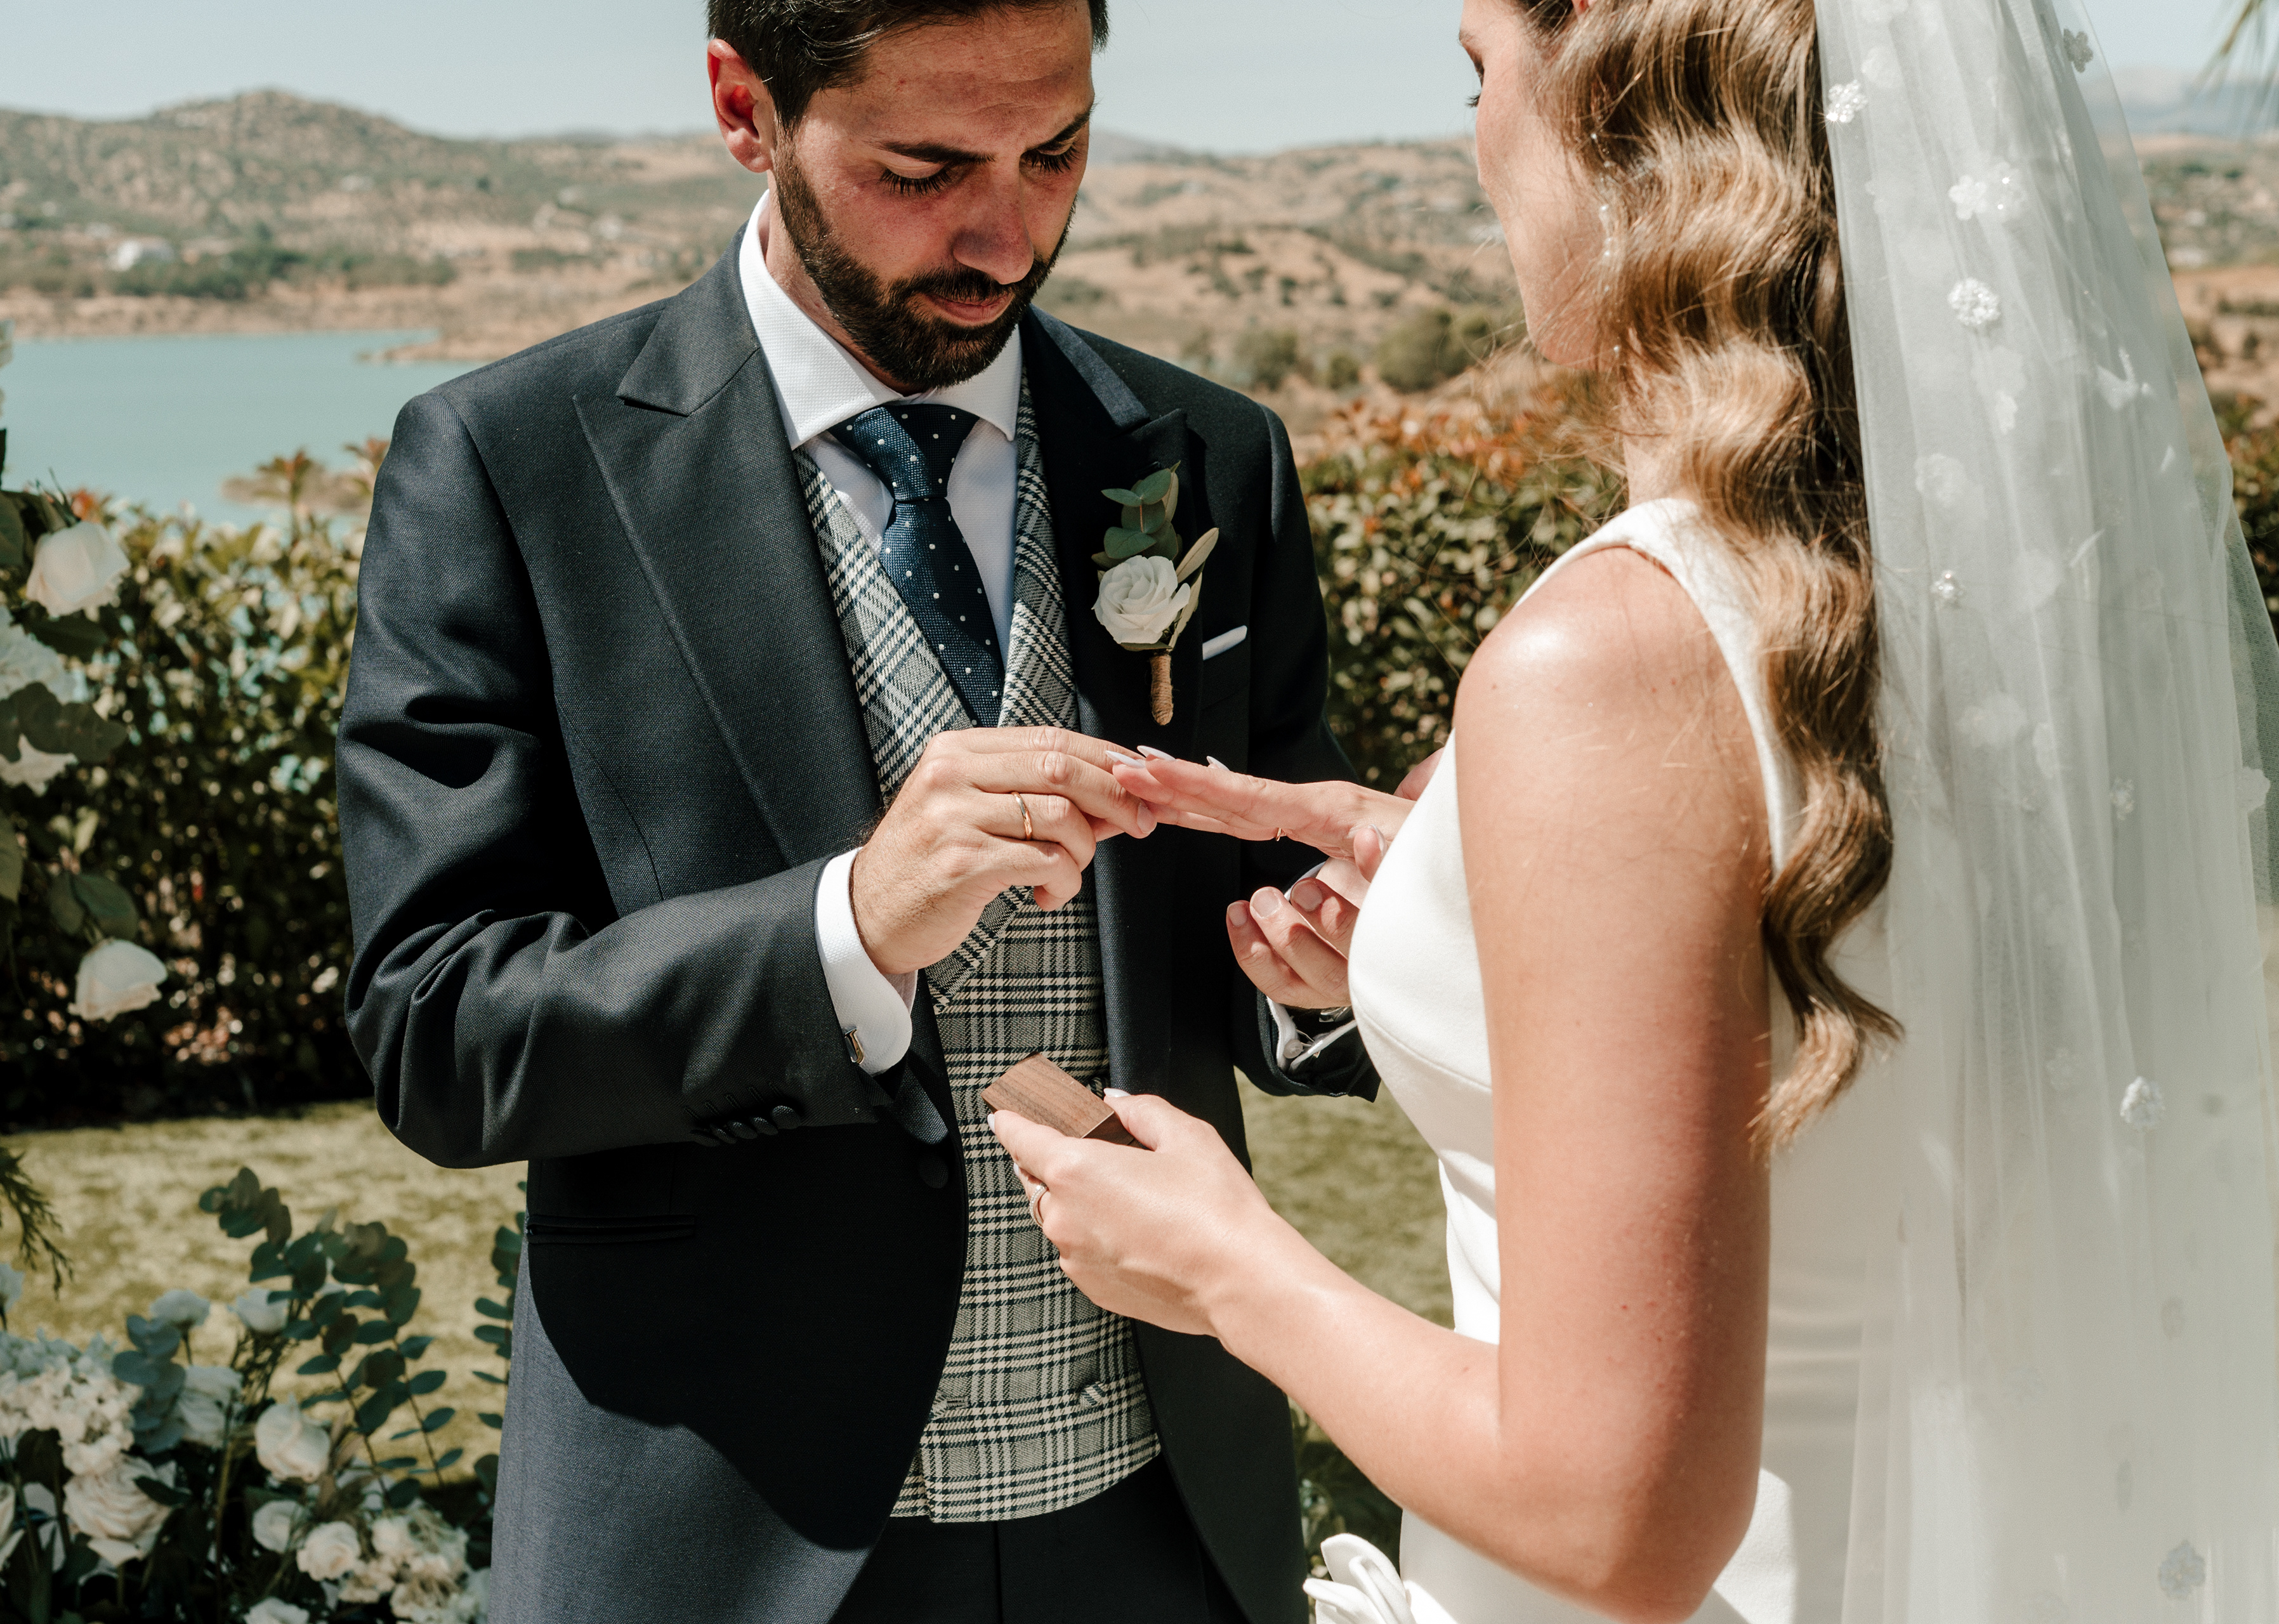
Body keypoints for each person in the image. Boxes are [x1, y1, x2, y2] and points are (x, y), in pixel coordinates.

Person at [995, 1, 2279, 1621]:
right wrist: (1460, 892)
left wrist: (1223, 1261)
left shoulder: (1611, 658)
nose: (1473, 137)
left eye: (1481, 67)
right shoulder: (2026, 613)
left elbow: (1616, 1517)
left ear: (1614, 99)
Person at [334, 2, 1379, 1621]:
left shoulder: (1212, 456)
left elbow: (1263, 920)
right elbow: (439, 1027)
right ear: (744, 108)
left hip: (1161, 1517)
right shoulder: (509, 465)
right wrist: (849, 928)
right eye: (925, 168)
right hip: (733, 1541)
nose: (1007, 234)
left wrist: (1329, 974)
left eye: (1057, 152)